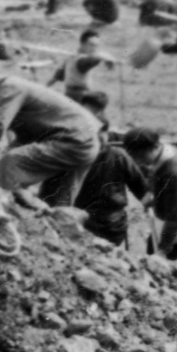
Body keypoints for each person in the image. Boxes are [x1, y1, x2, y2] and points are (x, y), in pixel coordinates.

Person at [0, 59, 100, 207]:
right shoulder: (10, 88)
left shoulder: (10, 88)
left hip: (75, 141)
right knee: (56, 204)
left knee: (9, 164)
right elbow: (26, 134)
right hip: (83, 142)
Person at [72, 93, 147, 247]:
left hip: (112, 224)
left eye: (103, 132)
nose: (99, 137)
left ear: (107, 133)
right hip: (82, 220)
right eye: (94, 133)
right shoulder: (75, 156)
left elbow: (141, 187)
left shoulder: (119, 156)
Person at [122, 127, 177, 261]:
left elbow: (176, 219)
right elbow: (154, 173)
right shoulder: (164, 152)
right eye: (134, 157)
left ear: (153, 147)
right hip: (163, 222)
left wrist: (163, 249)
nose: (137, 161)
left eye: (140, 156)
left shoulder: (173, 174)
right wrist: (150, 193)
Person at [47, 29, 114, 103]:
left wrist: (45, 87)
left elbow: (57, 76)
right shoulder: (81, 60)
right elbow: (90, 60)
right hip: (79, 97)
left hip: (69, 95)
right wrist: (106, 57)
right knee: (102, 97)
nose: (94, 49)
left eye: (96, 46)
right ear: (82, 44)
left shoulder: (71, 57)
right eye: (91, 45)